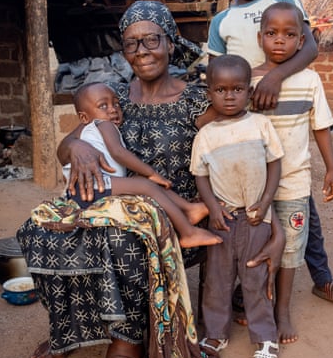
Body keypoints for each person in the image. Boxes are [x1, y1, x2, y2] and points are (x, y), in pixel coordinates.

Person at [17, 0, 283, 358]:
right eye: (131, 43)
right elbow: (74, 140)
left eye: (151, 40)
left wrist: (274, 222)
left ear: (171, 43)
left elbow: (247, 156)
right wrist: (73, 147)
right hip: (116, 204)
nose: (141, 51)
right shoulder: (113, 97)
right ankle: (73, 328)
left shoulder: (201, 100)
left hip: (176, 216)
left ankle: (127, 349)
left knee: (123, 240)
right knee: (42, 230)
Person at [207, 0, 333, 304]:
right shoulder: (221, 21)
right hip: (247, 124)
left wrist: (274, 77)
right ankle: (250, 289)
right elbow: (214, 75)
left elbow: (309, 48)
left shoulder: (284, 0)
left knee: (298, 203)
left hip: (285, 112)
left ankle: (322, 277)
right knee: (251, 208)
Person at [191, 54, 284, 358]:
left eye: (237, 89)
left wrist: (267, 200)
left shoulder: (261, 125)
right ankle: (216, 333)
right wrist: (213, 208)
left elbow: (275, 164)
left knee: (255, 278)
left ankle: (265, 337)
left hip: (256, 217)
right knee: (217, 279)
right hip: (223, 219)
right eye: (220, 89)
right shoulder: (205, 136)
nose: (229, 96)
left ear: (249, 90)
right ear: (209, 93)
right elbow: (200, 176)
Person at [253, 2, 333, 343]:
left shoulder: (310, 80)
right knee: (255, 244)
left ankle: (282, 309)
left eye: (289, 35)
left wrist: (331, 168)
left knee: (289, 247)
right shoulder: (247, 79)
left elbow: (320, 127)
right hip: (255, 186)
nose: (279, 41)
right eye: (272, 33)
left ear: (302, 41)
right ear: (260, 37)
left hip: (294, 183)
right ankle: (256, 301)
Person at [63, 80, 221, 248]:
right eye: (103, 106)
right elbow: (118, 153)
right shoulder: (104, 125)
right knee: (146, 184)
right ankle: (188, 233)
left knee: (143, 182)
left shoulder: (97, 127)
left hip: (96, 186)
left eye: (116, 103)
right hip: (94, 187)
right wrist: (150, 173)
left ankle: (188, 209)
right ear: (84, 117)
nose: (112, 109)